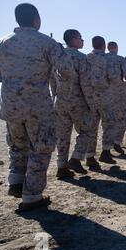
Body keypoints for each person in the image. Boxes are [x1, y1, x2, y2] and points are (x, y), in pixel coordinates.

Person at [0, 3, 74, 211]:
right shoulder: (47, 43)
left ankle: (16, 181)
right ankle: (32, 196)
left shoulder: (3, 42)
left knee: (17, 145)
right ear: (37, 19)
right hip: (37, 105)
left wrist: (14, 81)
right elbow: (67, 70)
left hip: (10, 104)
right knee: (41, 147)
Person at [53, 29, 95, 179]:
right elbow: (86, 83)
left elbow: (52, 81)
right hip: (78, 101)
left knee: (62, 136)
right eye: (80, 38)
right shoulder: (81, 58)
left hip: (60, 101)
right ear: (72, 39)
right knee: (87, 130)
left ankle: (61, 167)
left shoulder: (58, 56)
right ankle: (76, 158)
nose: (82, 41)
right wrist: (91, 103)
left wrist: (55, 98)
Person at [85, 36, 121, 166]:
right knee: (110, 124)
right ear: (104, 45)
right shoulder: (107, 59)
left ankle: (89, 157)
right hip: (105, 97)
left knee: (91, 127)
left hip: (89, 98)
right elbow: (114, 77)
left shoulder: (86, 58)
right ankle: (105, 152)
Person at [106, 41, 126, 155]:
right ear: (116, 48)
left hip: (102, 95)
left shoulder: (102, 58)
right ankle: (116, 143)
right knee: (121, 120)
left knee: (106, 123)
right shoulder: (120, 60)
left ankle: (104, 149)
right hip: (117, 95)